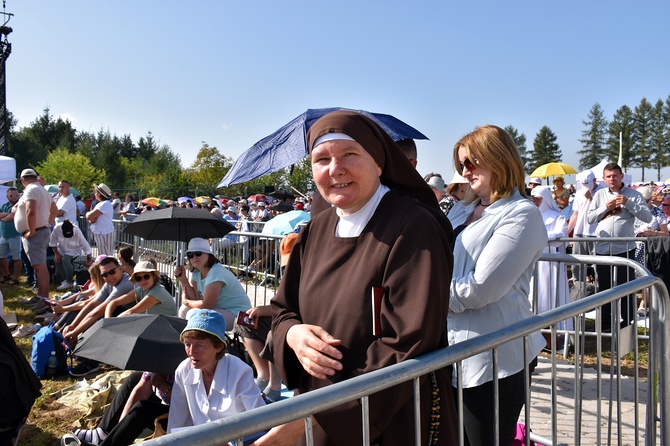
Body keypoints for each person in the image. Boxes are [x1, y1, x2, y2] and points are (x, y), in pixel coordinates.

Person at [266, 111, 457, 446]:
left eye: (350, 155)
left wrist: (312, 418)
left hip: (393, 416)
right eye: (321, 159)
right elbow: (283, 309)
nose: (335, 169)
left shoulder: (412, 226)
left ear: (379, 162)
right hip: (317, 408)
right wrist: (294, 335)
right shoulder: (316, 229)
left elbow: (407, 343)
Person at [446, 125, 546, 446]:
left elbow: (480, 289)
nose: (465, 171)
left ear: (498, 158)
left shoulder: (521, 214)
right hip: (453, 351)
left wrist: (418, 294)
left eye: (472, 162)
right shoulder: (460, 209)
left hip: (496, 358)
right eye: (461, 164)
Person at [167, 309, 265, 433]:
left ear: (218, 346)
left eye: (199, 345)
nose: (191, 352)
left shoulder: (240, 371)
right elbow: (177, 421)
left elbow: (260, 421)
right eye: (187, 344)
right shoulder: (183, 370)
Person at [587, 162, 652, 330]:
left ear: (622, 176)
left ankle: (628, 323)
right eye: (608, 176)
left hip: (625, 248)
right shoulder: (600, 195)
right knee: (605, 288)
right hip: (603, 248)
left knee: (627, 287)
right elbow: (590, 218)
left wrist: (628, 203)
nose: (612, 179)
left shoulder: (634, 195)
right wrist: (605, 207)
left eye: (615, 175)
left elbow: (647, 217)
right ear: (603, 178)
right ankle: (606, 324)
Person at [63, 257, 135, 376]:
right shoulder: (111, 283)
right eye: (105, 275)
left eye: (112, 272)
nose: (109, 276)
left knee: (110, 313)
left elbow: (98, 311)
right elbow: (92, 304)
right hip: (126, 324)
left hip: (135, 328)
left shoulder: (126, 284)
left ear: (121, 269)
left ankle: (94, 360)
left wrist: (75, 331)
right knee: (94, 308)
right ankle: (87, 350)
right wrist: (73, 326)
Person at [64, 371, 173, 446]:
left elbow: (187, 407)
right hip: (167, 403)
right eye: (187, 344)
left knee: (143, 408)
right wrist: (121, 426)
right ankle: (103, 434)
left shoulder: (186, 366)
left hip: (182, 417)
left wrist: (164, 386)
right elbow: (140, 390)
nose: (191, 350)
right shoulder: (160, 355)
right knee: (135, 378)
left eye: (191, 342)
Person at [173, 238, 251, 328]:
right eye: (190, 254)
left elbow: (207, 304)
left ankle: (197, 340)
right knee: (184, 310)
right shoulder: (196, 272)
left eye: (198, 253)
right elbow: (195, 298)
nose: (194, 257)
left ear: (208, 254)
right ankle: (185, 340)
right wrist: (183, 280)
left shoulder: (216, 271)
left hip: (240, 315)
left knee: (194, 314)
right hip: (221, 310)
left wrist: (186, 301)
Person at [530, 186, 572, 342]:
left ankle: (558, 333)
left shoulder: (557, 216)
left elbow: (562, 234)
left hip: (552, 263)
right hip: (535, 261)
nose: (535, 202)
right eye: (533, 199)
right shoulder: (531, 216)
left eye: (538, 199)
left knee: (553, 293)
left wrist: (542, 236)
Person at [12, 169, 58, 301]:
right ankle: (41, 295)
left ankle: (43, 297)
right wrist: (46, 223)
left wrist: (32, 230)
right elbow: (54, 210)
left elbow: (30, 211)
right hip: (41, 230)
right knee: (39, 265)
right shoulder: (43, 190)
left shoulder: (30, 190)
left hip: (35, 233)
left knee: (40, 266)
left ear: (22, 181)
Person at [104, 260, 176, 317]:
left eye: (146, 276)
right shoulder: (141, 290)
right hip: (155, 324)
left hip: (167, 327)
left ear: (154, 276)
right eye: (138, 278)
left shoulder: (157, 291)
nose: (143, 281)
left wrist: (110, 324)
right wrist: (107, 320)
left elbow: (131, 312)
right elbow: (113, 302)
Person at [567, 170, 600, 288]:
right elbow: (575, 214)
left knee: (598, 265)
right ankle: (579, 289)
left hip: (596, 233)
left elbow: (599, 213)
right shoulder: (579, 193)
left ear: (595, 180)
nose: (586, 188)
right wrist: (569, 234)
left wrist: (590, 198)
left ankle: (599, 291)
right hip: (580, 233)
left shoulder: (602, 191)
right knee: (577, 264)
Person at [49, 219, 93, 291]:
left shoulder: (77, 231)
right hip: (61, 249)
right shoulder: (57, 228)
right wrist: (56, 254)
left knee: (65, 260)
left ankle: (69, 281)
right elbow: (52, 242)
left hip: (74, 251)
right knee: (58, 260)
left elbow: (86, 246)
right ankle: (65, 280)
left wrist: (89, 260)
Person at [0, 187, 22, 285]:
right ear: (7, 196)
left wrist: (4, 217)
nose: (14, 197)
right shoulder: (4, 206)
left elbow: (13, 216)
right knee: (1, 257)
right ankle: (6, 275)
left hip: (15, 235)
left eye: (16, 195)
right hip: (4, 236)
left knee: (16, 257)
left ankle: (15, 278)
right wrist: (8, 214)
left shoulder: (19, 205)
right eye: (11, 195)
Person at [86, 183, 115, 256]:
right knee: (104, 255)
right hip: (102, 232)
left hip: (104, 232)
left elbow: (89, 216)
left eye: (96, 192)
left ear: (100, 194)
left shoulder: (104, 204)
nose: (94, 194)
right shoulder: (102, 204)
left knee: (105, 256)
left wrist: (88, 215)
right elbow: (92, 219)